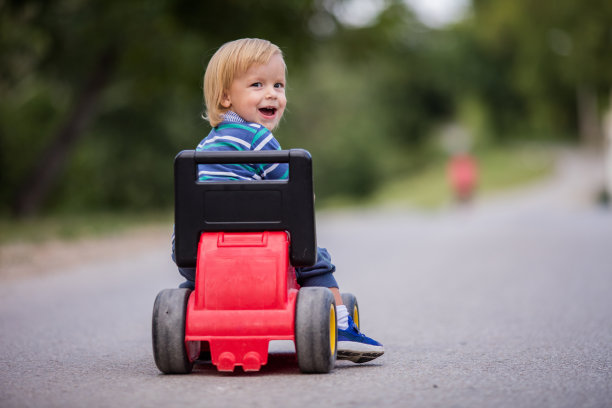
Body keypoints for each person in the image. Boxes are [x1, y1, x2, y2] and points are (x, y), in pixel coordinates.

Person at [173, 38, 383, 363]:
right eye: (257, 84)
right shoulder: (260, 139)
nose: (272, 93)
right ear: (226, 96)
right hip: (257, 256)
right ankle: (340, 325)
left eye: (278, 85)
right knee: (315, 257)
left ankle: (197, 323)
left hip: (197, 258)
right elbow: (295, 197)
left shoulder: (201, 150)